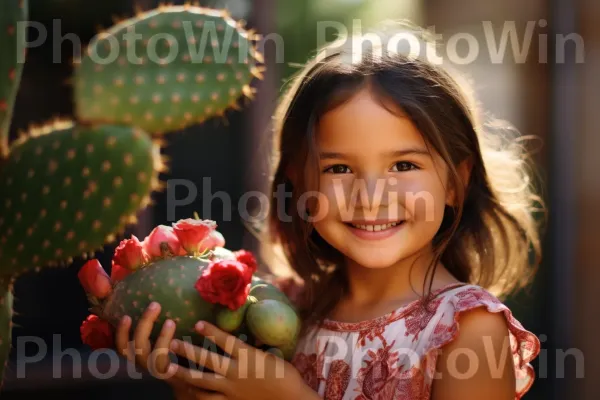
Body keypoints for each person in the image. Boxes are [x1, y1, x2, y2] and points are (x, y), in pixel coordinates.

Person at [115, 22, 544, 399]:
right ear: (298, 184)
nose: (371, 195)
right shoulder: (285, 308)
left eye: (403, 165)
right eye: (339, 168)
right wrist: (190, 384)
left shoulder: (467, 330)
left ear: (455, 182)